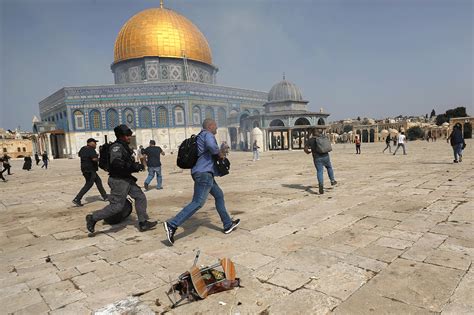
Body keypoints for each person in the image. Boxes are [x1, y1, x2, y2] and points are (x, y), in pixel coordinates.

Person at [163, 119, 240, 245]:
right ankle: (172, 224)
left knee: (219, 195)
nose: (216, 128)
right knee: (198, 202)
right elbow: (212, 148)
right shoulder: (207, 135)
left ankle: (227, 224)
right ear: (210, 126)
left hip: (203, 173)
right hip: (204, 174)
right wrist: (220, 152)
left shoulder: (200, 136)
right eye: (215, 126)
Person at [85, 125, 158, 234]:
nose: (129, 137)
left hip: (126, 179)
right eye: (127, 135)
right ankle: (93, 217)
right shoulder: (117, 147)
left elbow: (125, 162)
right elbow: (116, 163)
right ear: (121, 136)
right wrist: (133, 167)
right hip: (119, 180)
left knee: (140, 197)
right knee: (117, 206)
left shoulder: (124, 146)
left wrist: (136, 165)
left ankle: (143, 222)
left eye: (129, 135)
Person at [72, 138, 108, 207]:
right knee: (89, 184)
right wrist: (101, 159)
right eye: (95, 143)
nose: (95, 144)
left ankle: (105, 196)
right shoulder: (91, 149)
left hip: (85, 169)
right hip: (90, 169)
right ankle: (77, 199)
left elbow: (80, 155)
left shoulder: (83, 148)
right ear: (90, 143)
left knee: (98, 181)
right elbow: (94, 159)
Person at [304, 129, 337, 194]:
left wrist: (308, 152)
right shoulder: (323, 137)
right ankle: (332, 180)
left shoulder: (310, 140)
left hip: (317, 158)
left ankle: (321, 185)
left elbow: (305, 149)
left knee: (320, 171)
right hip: (326, 156)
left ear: (312, 133)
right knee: (329, 167)